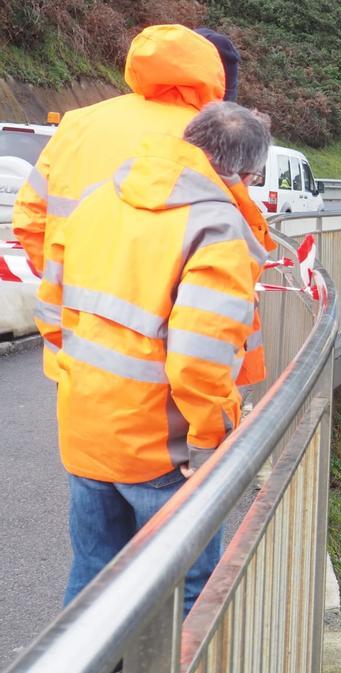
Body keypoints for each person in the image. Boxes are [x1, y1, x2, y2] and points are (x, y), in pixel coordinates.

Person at [52, 101, 270, 612]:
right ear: (243, 173)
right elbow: (200, 359)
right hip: (159, 449)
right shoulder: (217, 229)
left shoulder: (100, 194)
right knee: (186, 593)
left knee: (92, 577)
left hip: (84, 424)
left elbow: (51, 306)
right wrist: (211, 442)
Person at [12, 24, 272, 387]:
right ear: (214, 75)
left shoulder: (78, 123)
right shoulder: (208, 141)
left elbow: (29, 222)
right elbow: (226, 257)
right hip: (162, 361)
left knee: (83, 438)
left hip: (75, 343)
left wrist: (75, 290)